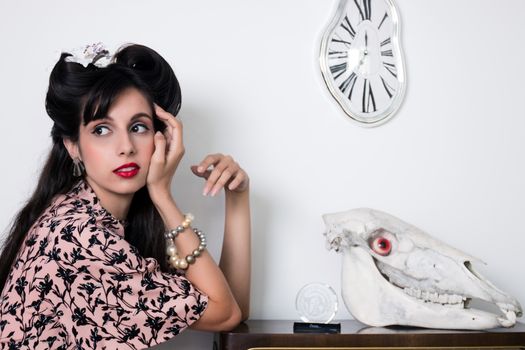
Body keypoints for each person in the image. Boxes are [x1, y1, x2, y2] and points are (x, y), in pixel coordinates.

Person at [0, 42, 251, 349]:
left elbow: (232, 311)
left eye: (138, 126)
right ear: (73, 146)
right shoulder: (78, 237)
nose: (126, 147)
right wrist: (162, 195)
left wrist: (237, 198)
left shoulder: (89, 213)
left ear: (162, 137)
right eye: (102, 130)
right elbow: (224, 312)